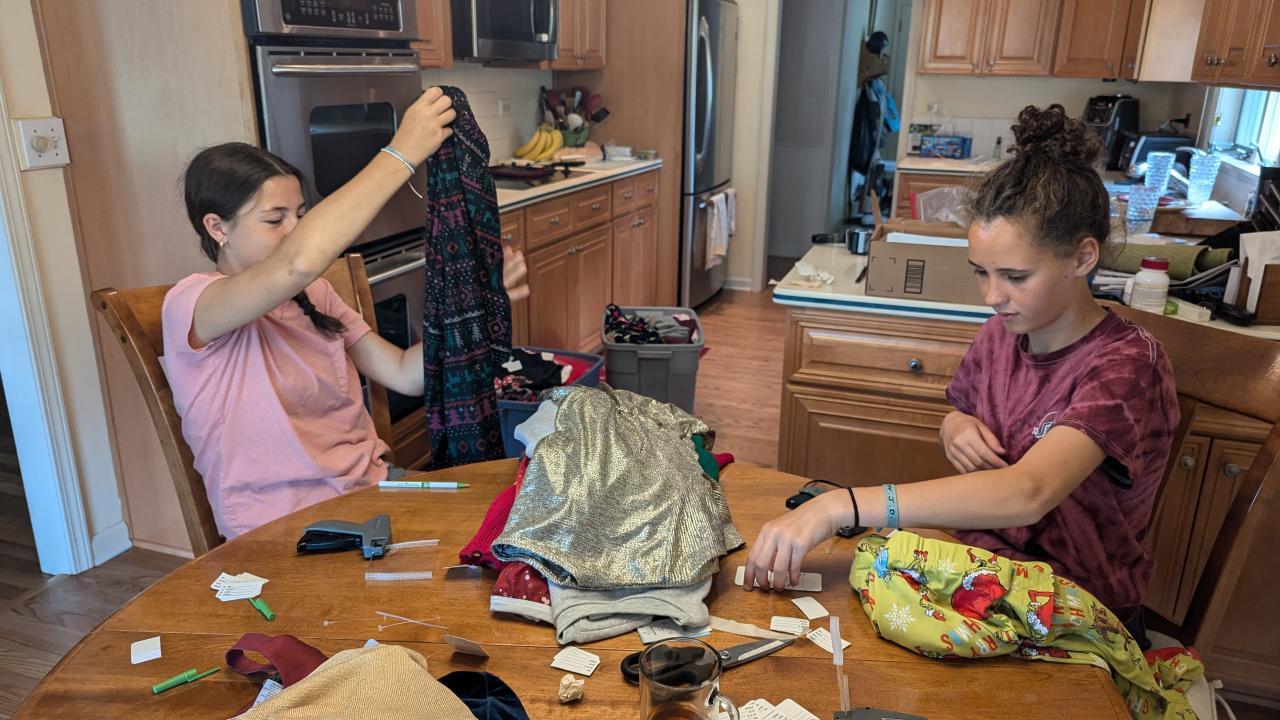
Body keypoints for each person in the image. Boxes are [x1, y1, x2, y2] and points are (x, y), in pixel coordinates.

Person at [744, 104, 1179, 624]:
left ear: (1083, 258)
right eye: (981, 272)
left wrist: (841, 505)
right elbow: (965, 411)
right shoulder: (1004, 332)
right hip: (984, 573)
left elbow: (1029, 492)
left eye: (1015, 276)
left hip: (1075, 604)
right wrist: (954, 425)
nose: (992, 296)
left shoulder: (1128, 365)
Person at [162, 87, 529, 539]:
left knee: (516, 520)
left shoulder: (315, 294)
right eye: (275, 219)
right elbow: (298, 262)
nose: (295, 229)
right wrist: (402, 152)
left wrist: (482, 301)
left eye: (301, 214)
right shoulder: (192, 305)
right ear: (217, 227)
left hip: (373, 492)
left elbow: (405, 374)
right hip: (282, 531)